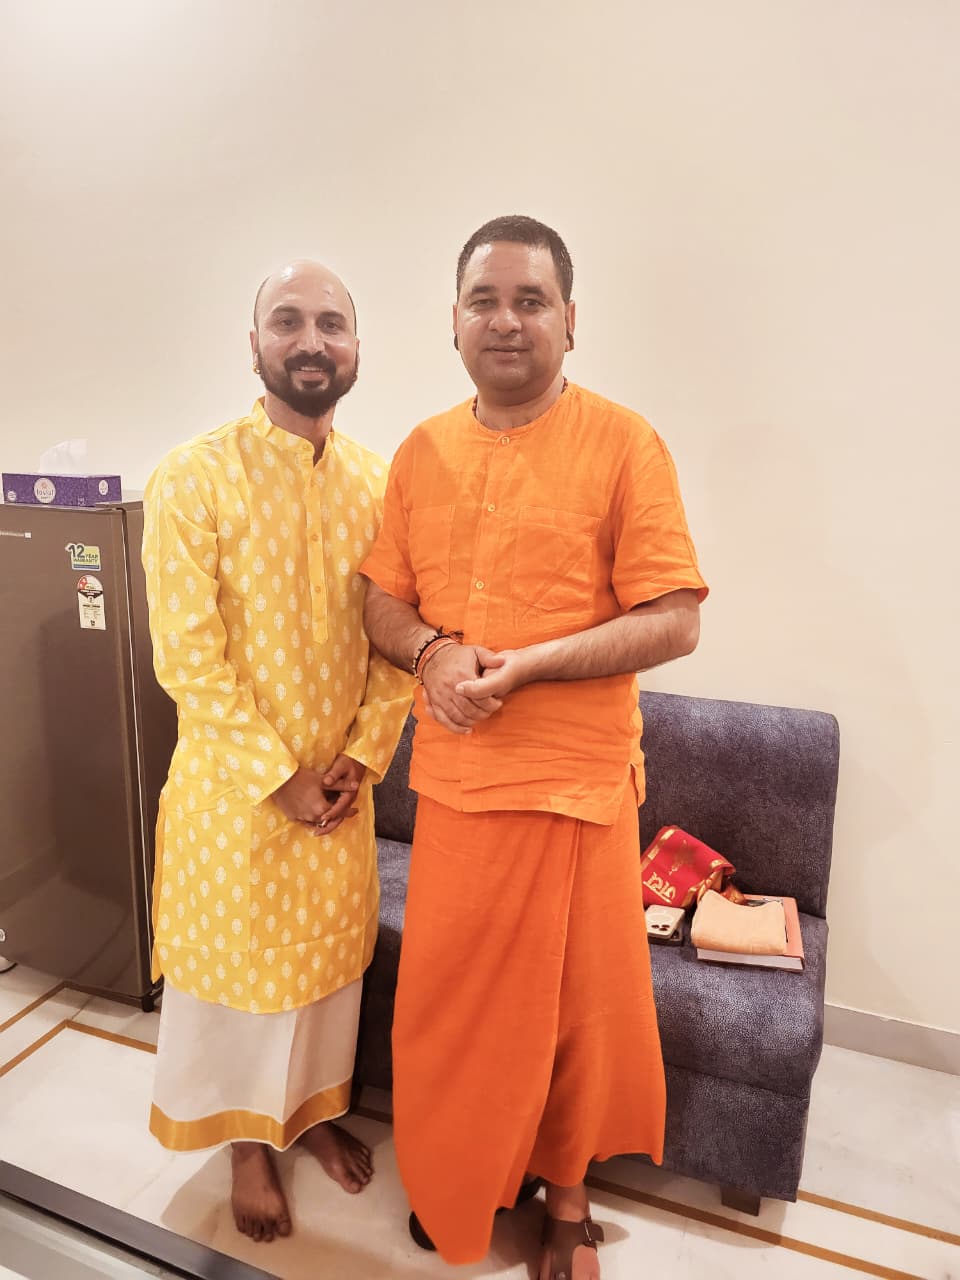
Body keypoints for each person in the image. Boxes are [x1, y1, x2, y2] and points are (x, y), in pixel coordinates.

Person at [361, 216, 707, 1279]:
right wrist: (431, 651)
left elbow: (675, 618)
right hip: (458, 790)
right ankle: (461, 1184)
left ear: (570, 319)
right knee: (452, 1017)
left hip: (577, 791)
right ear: (454, 321)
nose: (505, 320)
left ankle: (567, 1200)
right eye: (485, 300)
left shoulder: (625, 442)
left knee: (575, 1019)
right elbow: (379, 600)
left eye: (530, 300)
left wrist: (532, 665)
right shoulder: (420, 451)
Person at [141, 260, 412, 1244]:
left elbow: (399, 639)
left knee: (326, 985)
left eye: (331, 323)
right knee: (238, 988)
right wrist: (277, 777)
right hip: (236, 796)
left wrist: (363, 756)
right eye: (287, 321)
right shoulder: (193, 475)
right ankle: (247, 1144)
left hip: (340, 790)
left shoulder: (381, 485)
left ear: (356, 347)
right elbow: (188, 658)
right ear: (253, 343)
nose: (311, 341)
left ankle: (310, 1114)